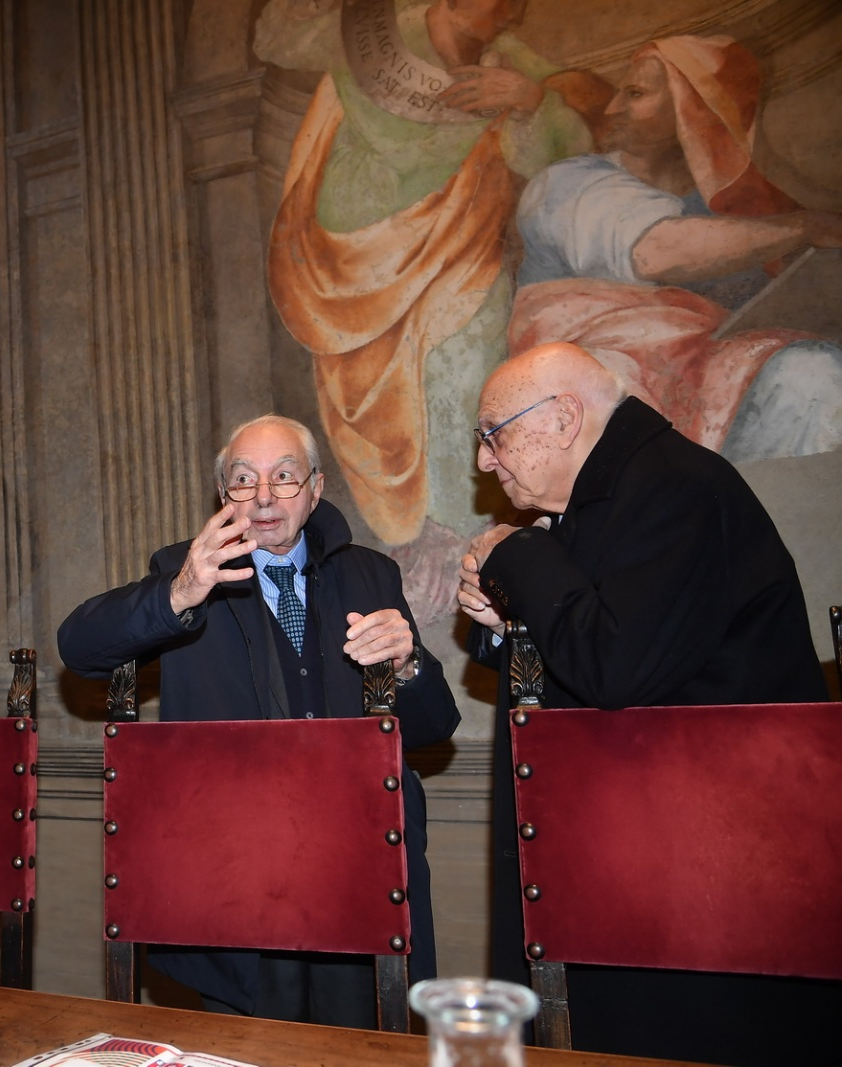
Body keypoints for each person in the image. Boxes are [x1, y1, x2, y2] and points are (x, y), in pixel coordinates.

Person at [457, 341, 834, 1065]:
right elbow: (587, 655)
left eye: (493, 434)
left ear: (564, 417)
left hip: (711, 881)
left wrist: (518, 555)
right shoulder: (606, 502)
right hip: (631, 867)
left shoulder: (676, 489)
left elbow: (617, 668)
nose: (484, 460)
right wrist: (505, 625)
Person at [59, 414, 460, 1028]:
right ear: (225, 496)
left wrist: (408, 665)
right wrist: (179, 592)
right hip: (236, 874)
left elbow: (433, 728)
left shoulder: (370, 575)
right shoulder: (189, 571)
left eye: (284, 476)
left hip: (359, 867)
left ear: (315, 489)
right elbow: (79, 647)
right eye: (244, 479)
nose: (265, 496)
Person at [257, 0, 602, 621]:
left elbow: (573, 154)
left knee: (468, 368)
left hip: (468, 240)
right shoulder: (367, 33)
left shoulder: (507, 61)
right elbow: (275, 35)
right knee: (380, 391)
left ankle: (465, 539)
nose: (499, 10)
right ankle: (425, 544)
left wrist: (529, 101)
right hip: (358, 254)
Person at [512, 34, 842, 462]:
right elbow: (654, 251)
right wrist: (805, 227)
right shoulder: (568, 183)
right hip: (597, 386)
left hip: (715, 382)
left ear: (694, 107)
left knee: (812, 372)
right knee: (609, 391)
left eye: (635, 94)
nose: (612, 108)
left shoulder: (746, 214)